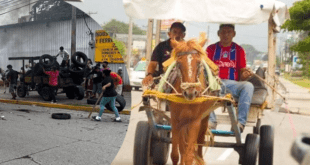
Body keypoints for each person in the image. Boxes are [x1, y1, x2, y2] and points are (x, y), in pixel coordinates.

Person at [206, 24, 254, 133]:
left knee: (248, 86)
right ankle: (211, 121)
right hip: (214, 84)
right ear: (218, 34)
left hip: (232, 85)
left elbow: (242, 74)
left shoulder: (239, 50)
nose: (226, 35)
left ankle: (240, 123)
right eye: (223, 32)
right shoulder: (210, 49)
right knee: (203, 85)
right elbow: (205, 70)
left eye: (229, 32)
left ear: (234, 34)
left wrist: (245, 75)